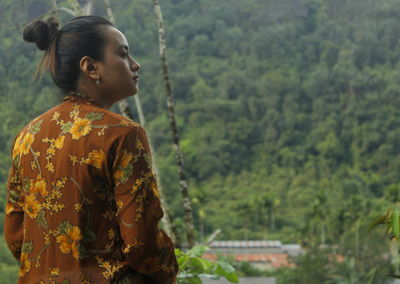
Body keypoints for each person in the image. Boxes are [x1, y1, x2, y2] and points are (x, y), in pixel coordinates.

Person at [3, 15, 178, 283]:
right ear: (91, 67)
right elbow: (141, 243)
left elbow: (16, 235)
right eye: (123, 54)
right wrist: (168, 270)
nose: (135, 64)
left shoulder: (28, 135)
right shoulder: (123, 134)